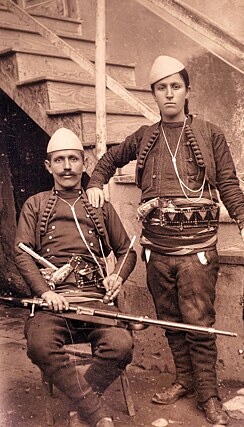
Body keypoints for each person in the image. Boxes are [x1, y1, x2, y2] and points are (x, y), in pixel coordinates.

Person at [86, 55, 244, 425]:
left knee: (198, 322)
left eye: (175, 86)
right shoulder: (144, 136)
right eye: (161, 88)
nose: (168, 94)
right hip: (156, 250)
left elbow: (227, 182)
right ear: (153, 94)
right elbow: (109, 159)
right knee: (171, 320)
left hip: (197, 251)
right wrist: (95, 183)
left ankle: (209, 395)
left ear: (187, 91)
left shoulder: (210, 133)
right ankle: (184, 380)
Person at [15, 128, 137, 427]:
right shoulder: (35, 204)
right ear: (49, 166)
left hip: (95, 300)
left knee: (121, 344)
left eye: (73, 159)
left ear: (84, 163)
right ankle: (94, 412)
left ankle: (79, 407)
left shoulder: (99, 205)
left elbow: (127, 251)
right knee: (40, 345)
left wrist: (117, 278)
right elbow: (22, 254)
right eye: (59, 160)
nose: (67, 166)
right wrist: (45, 292)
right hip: (52, 304)